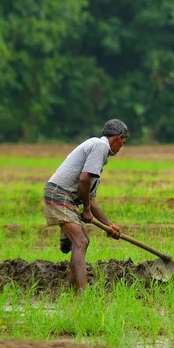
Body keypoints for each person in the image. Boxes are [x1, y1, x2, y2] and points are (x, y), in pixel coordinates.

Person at [43, 119, 129, 290]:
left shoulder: (97, 150)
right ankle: (82, 294)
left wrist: (109, 225)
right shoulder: (100, 146)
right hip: (60, 195)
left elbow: (91, 199)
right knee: (80, 241)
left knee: (82, 241)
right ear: (118, 138)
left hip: (66, 198)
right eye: (123, 142)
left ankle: (70, 287)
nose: (121, 148)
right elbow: (83, 179)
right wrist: (87, 210)